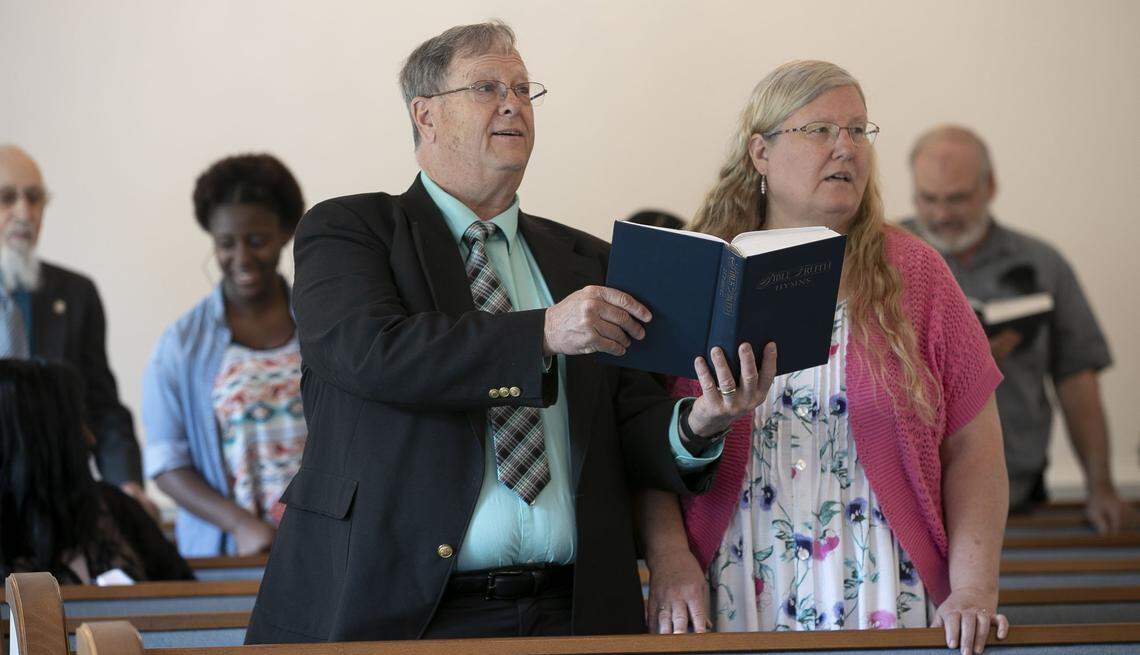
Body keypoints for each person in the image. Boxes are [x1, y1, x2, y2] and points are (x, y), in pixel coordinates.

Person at [245, 21, 777, 644]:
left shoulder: (590, 261)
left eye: (525, 90)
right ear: (425, 115)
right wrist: (542, 333)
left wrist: (699, 424)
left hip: (572, 608)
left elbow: (629, 424)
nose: (513, 104)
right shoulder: (351, 231)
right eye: (487, 87)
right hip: (401, 608)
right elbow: (369, 354)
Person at [640, 61, 1010, 655]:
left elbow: (975, 448)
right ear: (760, 152)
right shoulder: (701, 277)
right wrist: (668, 558)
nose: (846, 148)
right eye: (820, 130)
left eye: (859, 131)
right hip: (735, 585)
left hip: (886, 588)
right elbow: (644, 448)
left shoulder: (917, 275)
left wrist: (972, 586)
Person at [902, 125, 1133, 532]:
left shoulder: (1044, 264)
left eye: (956, 198)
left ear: (989, 187)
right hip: (907, 498)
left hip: (1017, 494)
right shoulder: (883, 258)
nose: (941, 215)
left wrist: (1101, 487)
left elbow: (1077, 379)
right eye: (928, 199)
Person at [142, 154, 307, 557]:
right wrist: (240, 524)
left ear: (285, 233)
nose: (242, 258)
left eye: (257, 241)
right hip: (235, 552)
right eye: (226, 244)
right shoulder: (181, 345)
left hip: (326, 545)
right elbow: (167, 462)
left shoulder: (322, 323)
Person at [0, 145, 155, 519]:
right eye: (7, 198)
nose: (24, 213)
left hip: (60, 502)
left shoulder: (74, 293)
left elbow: (101, 406)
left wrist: (126, 483)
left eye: (34, 198)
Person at [0, 359, 194, 585]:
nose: (91, 439)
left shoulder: (117, 509)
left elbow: (188, 596)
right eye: (73, 426)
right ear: (32, 443)